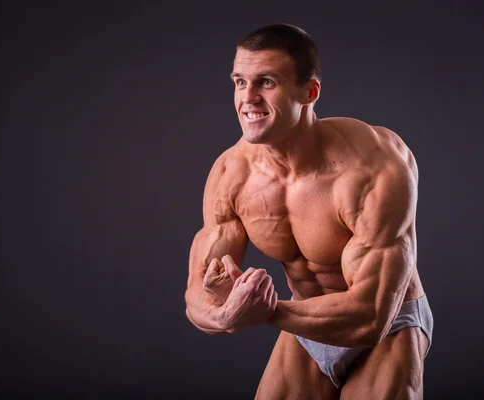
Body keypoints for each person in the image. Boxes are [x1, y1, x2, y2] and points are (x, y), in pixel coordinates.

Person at [184, 23, 434, 399]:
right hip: (307, 319)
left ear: (309, 91)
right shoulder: (230, 175)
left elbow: (370, 317)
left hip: (389, 326)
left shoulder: (373, 166)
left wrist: (265, 311)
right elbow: (196, 295)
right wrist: (227, 314)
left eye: (266, 82)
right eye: (239, 82)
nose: (247, 98)